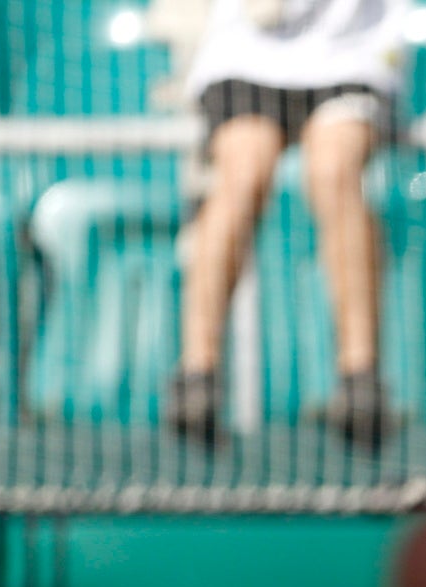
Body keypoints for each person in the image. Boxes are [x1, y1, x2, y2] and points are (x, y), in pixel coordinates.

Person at [171, 0, 407, 448]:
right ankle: (196, 374)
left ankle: (360, 379)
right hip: (247, 55)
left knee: (336, 172)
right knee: (242, 176)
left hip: (351, 52)